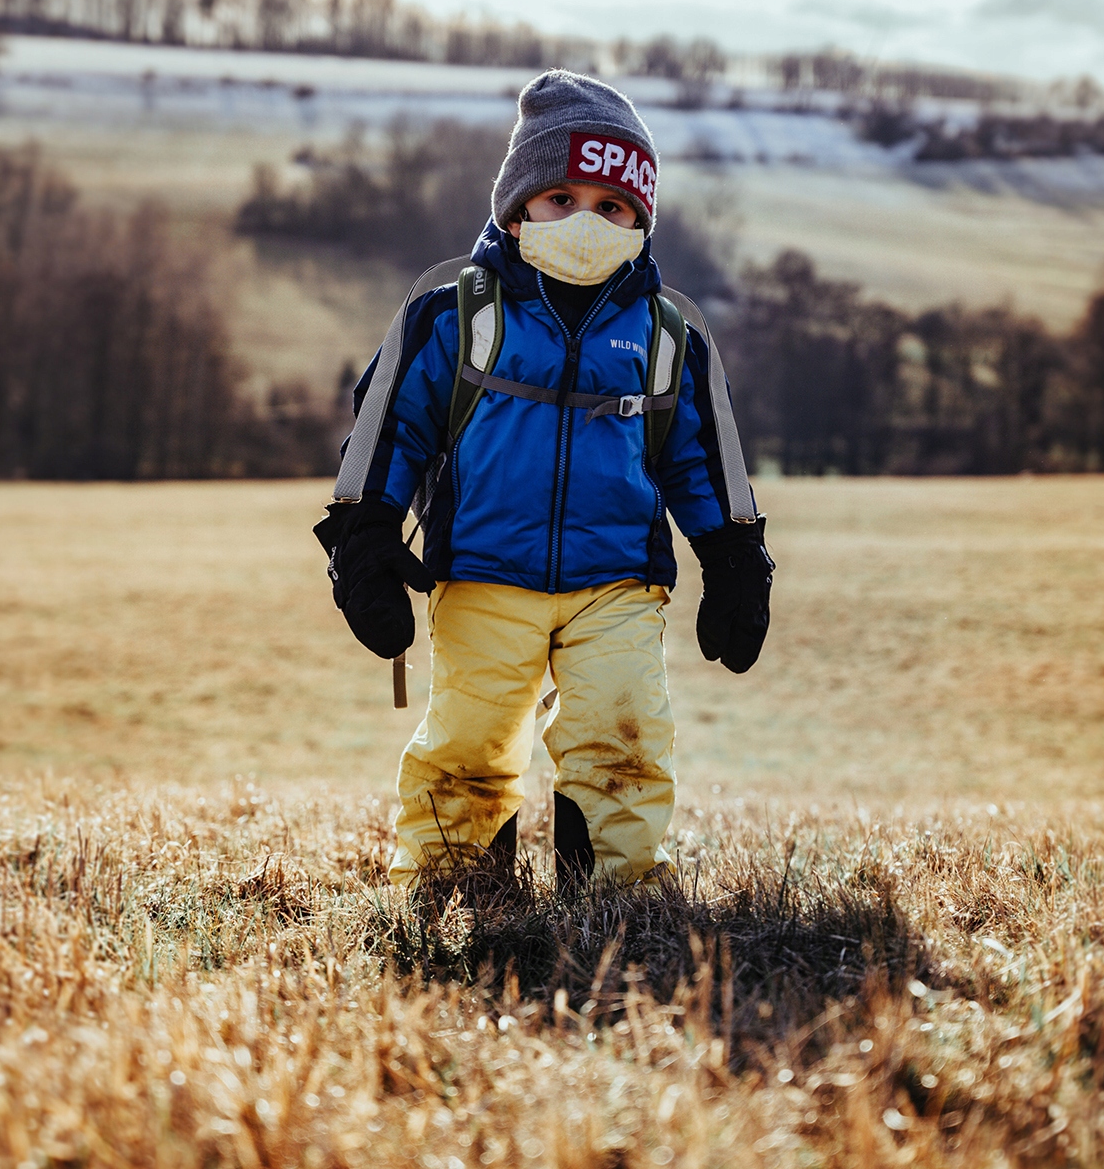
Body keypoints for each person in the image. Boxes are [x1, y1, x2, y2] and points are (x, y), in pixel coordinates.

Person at [315, 70, 773, 889]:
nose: (586, 223)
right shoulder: (450, 312)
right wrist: (366, 533)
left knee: (623, 739)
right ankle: (451, 881)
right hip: (483, 572)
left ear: (642, 220)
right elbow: (390, 430)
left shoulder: (671, 332)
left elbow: (703, 459)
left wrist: (736, 558)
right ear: (517, 205)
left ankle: (616, 895)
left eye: (612, 206)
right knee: (469, 742)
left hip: (620, 584)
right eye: (561, 198)